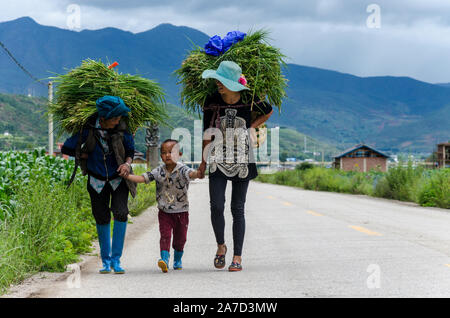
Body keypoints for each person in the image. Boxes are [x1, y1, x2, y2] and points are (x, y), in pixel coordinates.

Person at [199, 61, 273, 272]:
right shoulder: (211, 101)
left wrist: (252, 126)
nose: (217, 84)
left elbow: (268, 110)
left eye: (221, 81)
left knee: (237, 208)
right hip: (217, 158)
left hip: (243, 159)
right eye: (217, 80)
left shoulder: (250, 100)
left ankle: (237, 257)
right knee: (216, 205)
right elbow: (206, 132)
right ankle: (221, 246)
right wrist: (203, 162)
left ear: (234, 84)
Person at [61, 95, 136, 274]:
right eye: (115, 118)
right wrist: (83, 154)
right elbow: (66, 147)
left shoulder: (122, 129)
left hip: (118, 179)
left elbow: (130, 150)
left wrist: (127, 164)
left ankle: (116, 260)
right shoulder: (87, 130)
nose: (118, 121)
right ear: (103, 118)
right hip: (96, 180)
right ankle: (106, 260)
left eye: (119, 118)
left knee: (121, 213)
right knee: (101, 217)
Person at [125, 139, 201, 272]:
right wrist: (128, 176)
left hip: (182, 211)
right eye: (164, 153)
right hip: (164, 212)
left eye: (171, 152)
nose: (167, 155)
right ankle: (164, 259)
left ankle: (177, 259)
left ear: (179, 154)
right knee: (165, 235)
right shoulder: (158, 171)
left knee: (180, 239)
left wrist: (198, 173)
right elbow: (143, 178)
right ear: (161, 156)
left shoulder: (183, 170)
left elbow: (192, 174)